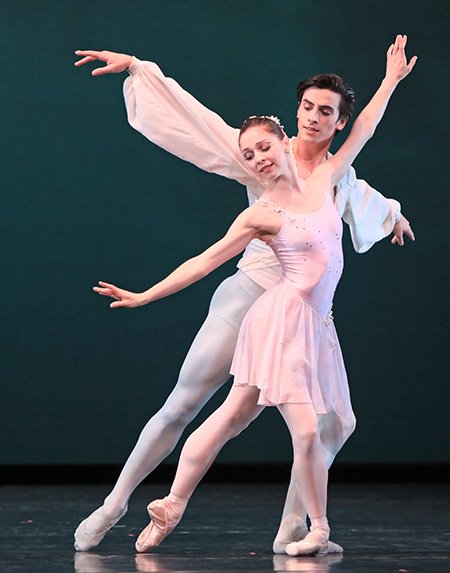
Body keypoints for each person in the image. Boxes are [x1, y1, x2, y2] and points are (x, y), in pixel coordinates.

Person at [73, 37, 415, 553]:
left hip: (304, 317)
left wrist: (392, 212)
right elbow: (201, 123)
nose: (314, 119)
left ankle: (292, 526)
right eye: (307, 108)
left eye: (326, 112)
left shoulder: (332, 173)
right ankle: (116, 502)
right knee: (187, 403)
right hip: (251, 300)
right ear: (292, 116)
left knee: (330, 423)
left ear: (337, 121)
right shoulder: (265, 152)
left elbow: (358, 174)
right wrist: (143, 70)